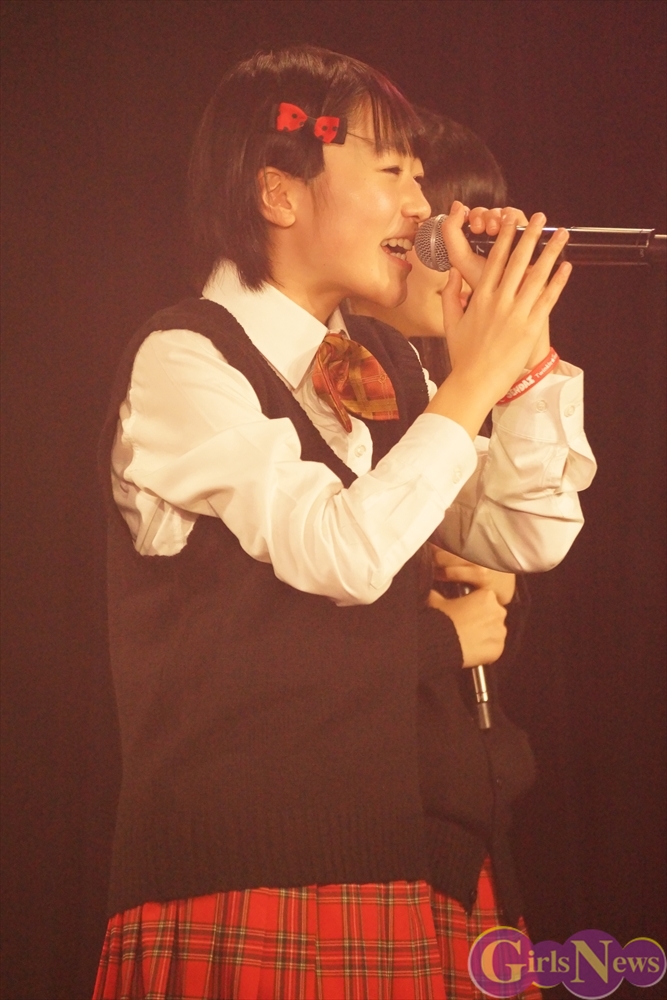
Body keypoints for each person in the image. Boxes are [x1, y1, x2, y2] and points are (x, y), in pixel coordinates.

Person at [93, 45, 595, 1000]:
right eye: (393, 172)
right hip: (241, 879)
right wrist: (473, 379)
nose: (421, 207)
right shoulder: (183, 360)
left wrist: (521, 360)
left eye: (420, 177)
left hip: (388, 864)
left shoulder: (384, 366)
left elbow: (526, 531)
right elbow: (341, 552)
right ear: (279, 194)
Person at [347, 110, 552, 991]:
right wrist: (441, 629)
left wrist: (494, 580)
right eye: (441, 240)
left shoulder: (431, 385)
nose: (466, 266)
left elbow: (525, 543)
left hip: (467, 819)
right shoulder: (331, 380)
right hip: (366, 825)